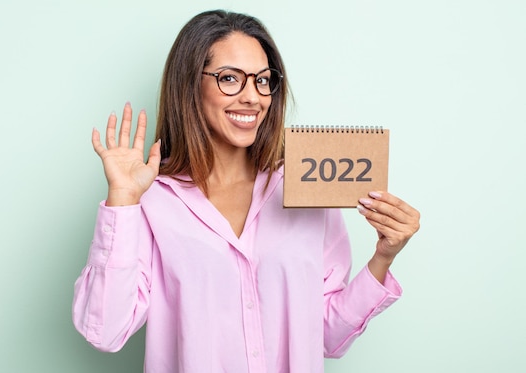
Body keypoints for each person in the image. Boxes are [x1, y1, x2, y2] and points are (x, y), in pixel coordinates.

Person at [72, 9, 420, 373]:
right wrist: (123, 201)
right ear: (191, 84)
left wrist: (383, 258)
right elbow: (105, 332)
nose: (253, 97)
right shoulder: (152, 204)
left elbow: (326, 336)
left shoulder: (306, 187)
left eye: (263, 80)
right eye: (229, 79)